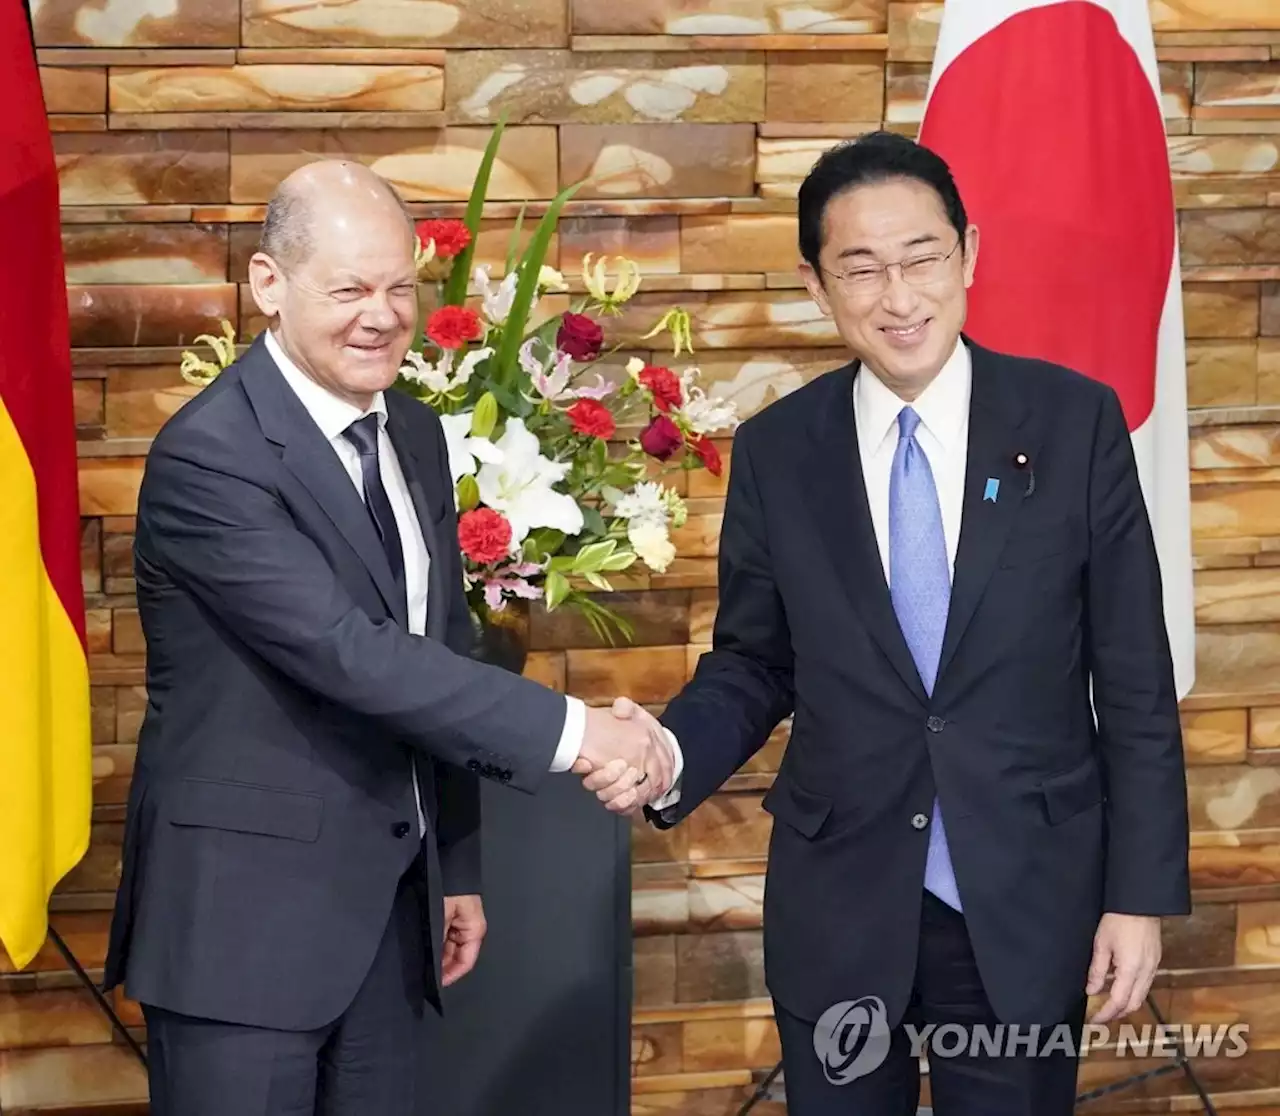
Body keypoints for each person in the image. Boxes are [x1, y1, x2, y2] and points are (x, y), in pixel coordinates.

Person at [601, 131, 1191, 1114]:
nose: (898, 295)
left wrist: (1136, 894)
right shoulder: (778, 451)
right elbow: (754, 663)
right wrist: (668, 749)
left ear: (967, 252)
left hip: (1020, 895)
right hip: (840, 895)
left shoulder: (1071, 423)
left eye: (921, 257)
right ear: (815, 283)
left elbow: (1129, 671)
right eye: (860, 269)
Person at [102, 160, 672, 1116]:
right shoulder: (212, 456)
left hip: (387, 916)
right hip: (242, 936)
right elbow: (351, 652)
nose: (382, 315)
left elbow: (440, 645)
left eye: (401, 287)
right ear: (269, 286)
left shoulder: (412, 430)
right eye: (350, 289)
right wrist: (585, 736)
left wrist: (456, 863)